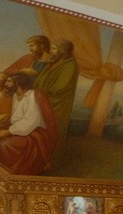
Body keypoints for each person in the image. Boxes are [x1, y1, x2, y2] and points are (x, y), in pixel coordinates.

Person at [0, 72, 57, 175]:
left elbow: (30, 121)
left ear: (18, 83)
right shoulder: (15, 95)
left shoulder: (33, 96)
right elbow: (20, 115)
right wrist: (9, 116)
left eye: (9, 81)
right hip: (19, 128)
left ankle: (5, 173)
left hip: (33, 132)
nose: (5, 84)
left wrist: (9, 132)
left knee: (4, 145)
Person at [33, 38, 79, 168]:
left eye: (54, 48)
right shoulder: (53, 62)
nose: (51, 51)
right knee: (39, 129)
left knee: (53, 130)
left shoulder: (70, 65)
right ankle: (36, 158)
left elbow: (60, 87)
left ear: (62, 51)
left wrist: (41, 93)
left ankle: (52, 160)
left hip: (57, 104)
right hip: (43, 101)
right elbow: (39, 79)